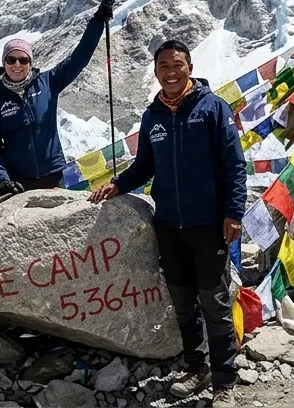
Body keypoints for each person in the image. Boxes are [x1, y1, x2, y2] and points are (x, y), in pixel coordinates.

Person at [90, 39, 247, 408]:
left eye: (177, 65)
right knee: (182, 305)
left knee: (215, 304)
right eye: (163, 66)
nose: (171, 72)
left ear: (189, 67)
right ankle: (197, 369)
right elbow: (145, 163)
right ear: (156, 70)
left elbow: (234, 165)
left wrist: (234, 213)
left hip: (209, 225)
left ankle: (224, 382)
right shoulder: (153, 116)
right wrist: (117, 185)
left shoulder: (212, 108)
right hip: (169, 226)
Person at [0, 0, 113, 192]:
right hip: (19, 183)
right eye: (11, 59)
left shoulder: (48, 81)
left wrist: (97, 22)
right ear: (4, 63)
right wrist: (2, 180)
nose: (17, 64)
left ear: (30, 62)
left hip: (55, 176)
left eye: (23, 59)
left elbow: (79, 57)